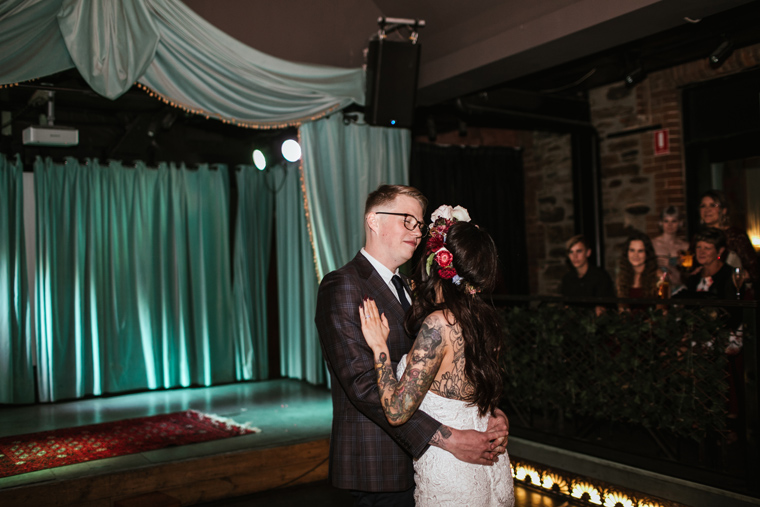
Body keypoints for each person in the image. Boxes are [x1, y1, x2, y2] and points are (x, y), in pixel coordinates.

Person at [315, 185, 508, 507]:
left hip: (431, 463)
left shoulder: (413, 287)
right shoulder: (343, 285)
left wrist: (486, 413)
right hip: (382, 461)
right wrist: (448, 438)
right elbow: (362, 385)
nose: (417, 232)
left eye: (419, 225)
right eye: (407, 221)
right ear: (374, 221)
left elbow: (448, 367)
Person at [698, 189, 759, 286]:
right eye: (703, 206)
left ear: (724, 210)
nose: (707, 210)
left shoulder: (736, 236)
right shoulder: (698, 237)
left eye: (713, 205)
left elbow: (754, 270)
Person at [559, 234, 615, 315]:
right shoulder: (568, 278)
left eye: (579, 251)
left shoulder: (600, 276)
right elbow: (566, 308)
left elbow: (602, 310)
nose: (575, 256)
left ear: (588, 252)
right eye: (571, 252)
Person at [652, 206, 690, 293]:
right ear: (661, 223)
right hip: (657, 289)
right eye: (666, 221)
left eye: (674, 221)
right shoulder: (652, 244)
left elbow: (687, 277)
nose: (670, 225)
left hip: (679, 290)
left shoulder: (685, 247)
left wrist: (669, 265)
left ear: (680, 223)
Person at [616, 231, 660, 299]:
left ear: (647, 253)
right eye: (632, 250)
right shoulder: (622, 277)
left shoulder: (658, 276)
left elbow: (663, 307)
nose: (635, 255)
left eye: (640, 251)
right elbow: (621, 306)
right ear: (627, 253)